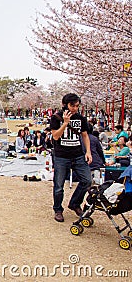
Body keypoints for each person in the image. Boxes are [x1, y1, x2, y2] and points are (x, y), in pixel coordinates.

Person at [50, 93, 92, 222]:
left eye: (77, 106)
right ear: (65, 105)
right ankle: (58, 209)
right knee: (59, 185)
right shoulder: (56, 117)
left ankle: (74, 203)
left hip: (78, 154)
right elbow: (55, 136)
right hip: (61, 156)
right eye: (72, 105)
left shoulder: (80, 118)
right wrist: (65, 123)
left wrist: (88, 152)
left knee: (87, 180)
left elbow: (85, 135)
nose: (74, 109)